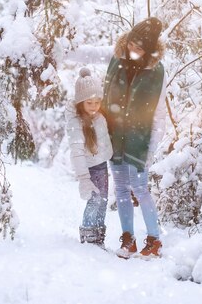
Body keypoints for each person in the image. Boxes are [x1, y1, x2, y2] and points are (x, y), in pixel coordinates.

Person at [66, 17, 167, 259]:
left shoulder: (156, 72)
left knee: (140, 188)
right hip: (115, 138)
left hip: (139, 140)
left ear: (149, 50)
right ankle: (128, 239)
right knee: (121, 189)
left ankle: (154, 240)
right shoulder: (116, 59)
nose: (133, 50)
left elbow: (159, 113)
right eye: (132, 43)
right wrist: (63, 51)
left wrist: (151, 149)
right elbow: (88, 55)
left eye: (139, 48)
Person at [66, 67, 113, 247]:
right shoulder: (76, 123)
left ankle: (98, 237)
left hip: (102, 166)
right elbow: (77, 151)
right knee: (94, 200)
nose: (93, 107)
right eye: (89, 103)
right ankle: (88, 237)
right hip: (89, 168)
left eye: (96, 102)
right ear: (80, 103)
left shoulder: (99, 116)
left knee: (103, 202)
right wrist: (84, 179)